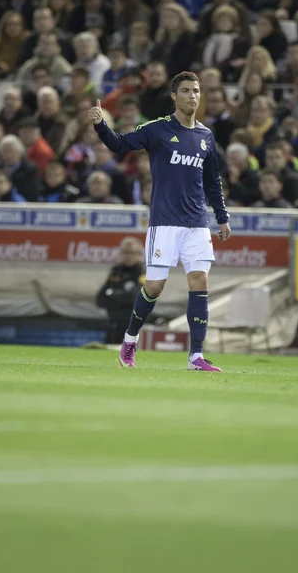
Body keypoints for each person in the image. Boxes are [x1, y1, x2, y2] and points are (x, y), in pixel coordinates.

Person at [88, 70, 231, 371]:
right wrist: (102, 126)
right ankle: (129, 341)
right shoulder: (158, 129)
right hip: (165, 222)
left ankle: (196, 356)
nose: (192, 96)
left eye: (196, 90)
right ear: (174, 96)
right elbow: (120, 144)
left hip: (196, 223)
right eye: (186, 91)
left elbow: (212, 182)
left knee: (199, 280)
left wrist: (222, 217)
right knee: (154, 286)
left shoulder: (205, 136)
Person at [96, 237, 146, 344]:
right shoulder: (116, 270)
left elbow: (135, 297)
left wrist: (112, 294)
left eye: (132, 253)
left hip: (133, 324)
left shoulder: (142, 271)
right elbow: (100, 298)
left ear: (139, 254)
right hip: (113, 321)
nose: (129, 256)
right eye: (126, 253)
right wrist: (120, 297)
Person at [150, 2, 197, 78]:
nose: (168, 20)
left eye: (172, 17)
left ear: (181, 19)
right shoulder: (162, 39)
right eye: (165, 17)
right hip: (161, 76)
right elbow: (154, 59)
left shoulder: (189, 38)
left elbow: (184, 62)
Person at [0, 134, 40, 201]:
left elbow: (32, 193)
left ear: (20, 152)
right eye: (4, 151)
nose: (7, 155)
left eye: (11, 151)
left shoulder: (30, 169)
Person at [0, 10, 29, 76]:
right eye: (10, 24)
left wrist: (9, 68)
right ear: (4, 26)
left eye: (16, 24)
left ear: (22, 26)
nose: (13, 28)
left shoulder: (27, 40)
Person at [203, 87, 234, 152]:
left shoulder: (231, 124)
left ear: (224, 103)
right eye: (211, 101)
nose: (213, 105)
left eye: (217, 101)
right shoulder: (203, 123)